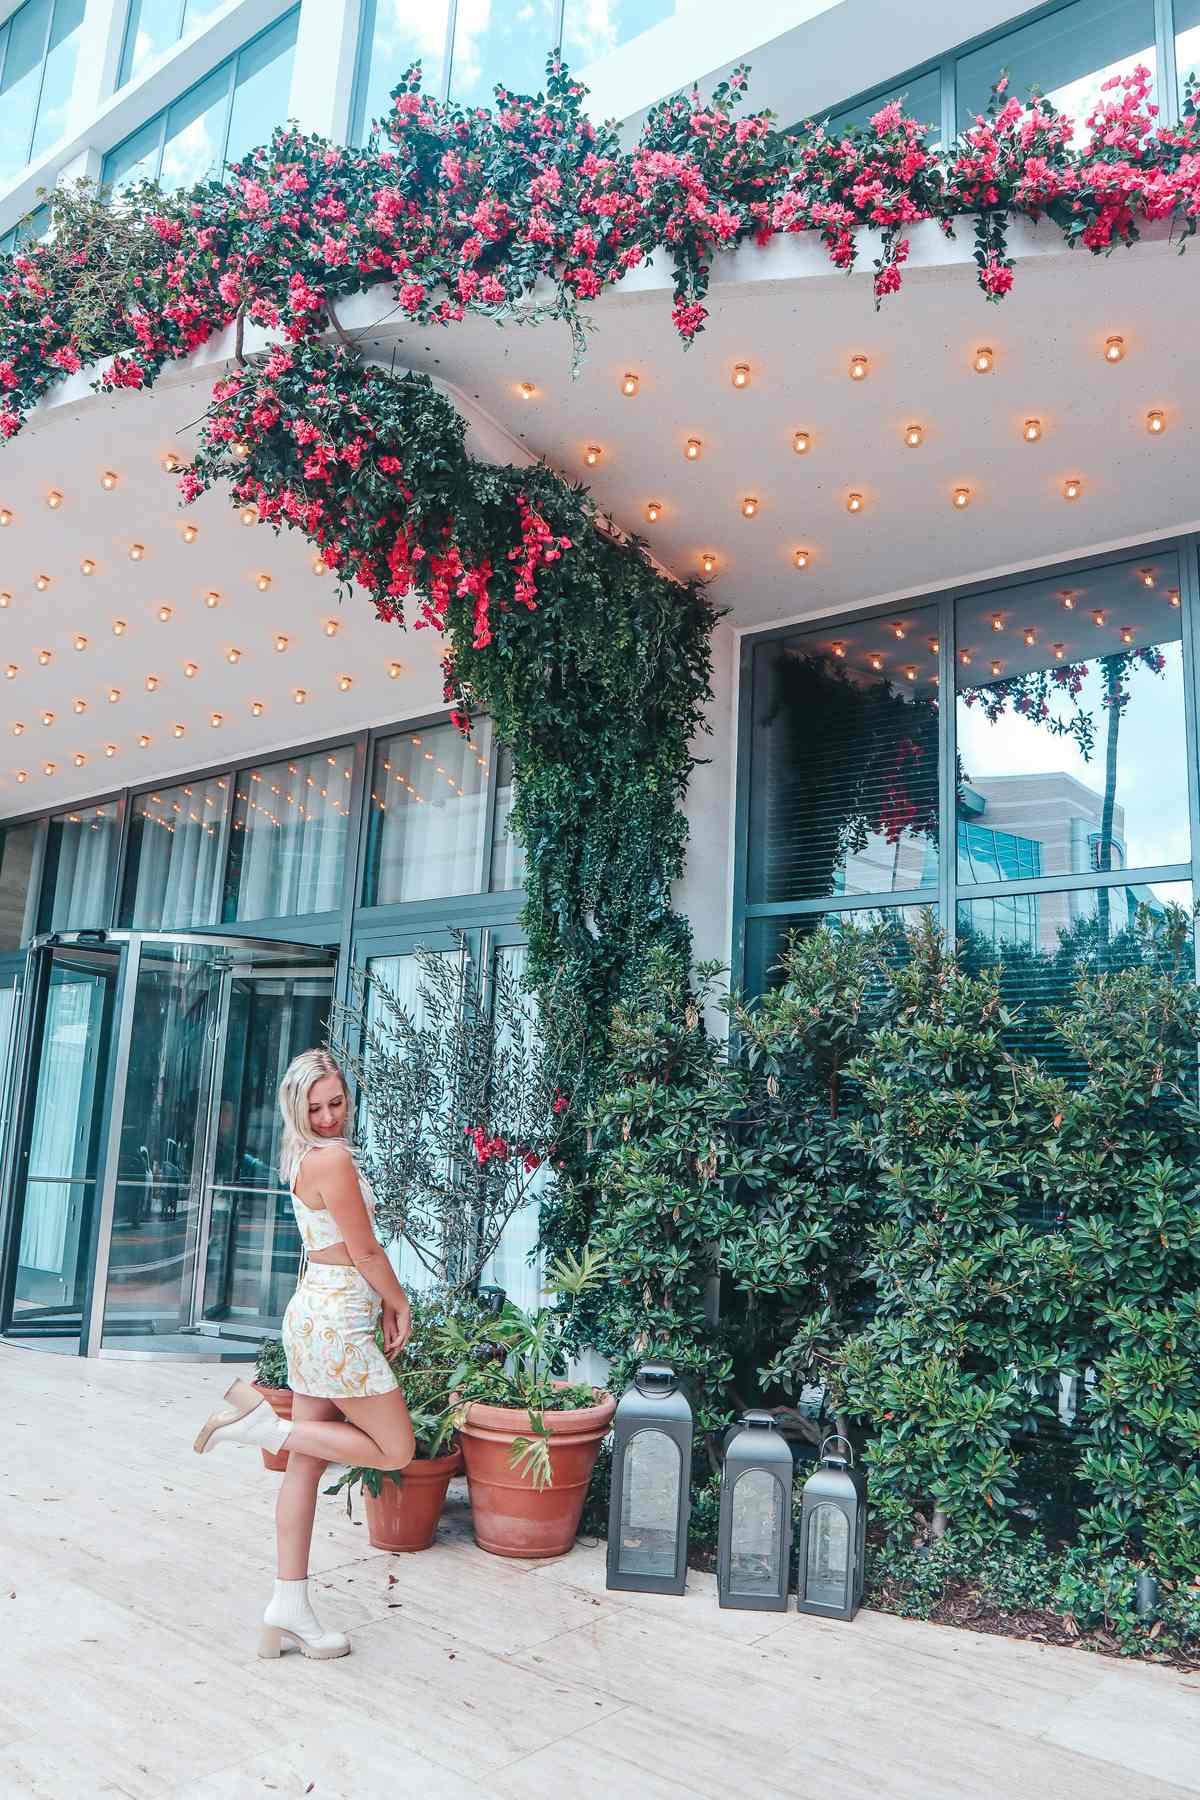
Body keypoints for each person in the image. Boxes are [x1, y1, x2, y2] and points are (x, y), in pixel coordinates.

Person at [192, 1050, 415, 1661]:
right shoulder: (334, 1158)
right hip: (338, 1321)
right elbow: (365, 1252)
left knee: (305, 1462)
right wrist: (400, 1304)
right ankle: (265, 1425)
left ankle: (286, 1606)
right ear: (297, 1108)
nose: (326, 1117)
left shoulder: (302, 1158)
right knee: (396, 1448)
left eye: (335, 1103)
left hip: (314, 1313)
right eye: (314, 1108)